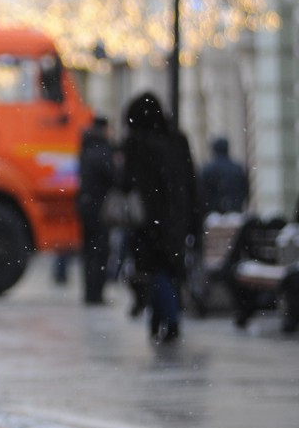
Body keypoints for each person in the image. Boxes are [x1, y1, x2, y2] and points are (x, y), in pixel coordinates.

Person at [117, 92, 201, 344]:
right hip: (177, 216)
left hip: (148, 218)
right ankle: (160, 320)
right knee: (169, 269)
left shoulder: (137, 144)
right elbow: (191, 181)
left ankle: (169, 320)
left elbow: (125, 182)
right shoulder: (177, 140)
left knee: (154, 270)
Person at [76, 115, 115, 305]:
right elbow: (114, 177)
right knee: (99, 251)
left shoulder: (86, 148)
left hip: (85, 205)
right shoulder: (103, 151)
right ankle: (96, 294)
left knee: (89, 251)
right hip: (99, 208)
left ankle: (89, 292)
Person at [200, 136, 250, 214]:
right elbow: (245, 190)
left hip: (213, 214)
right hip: (235, 212)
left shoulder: (208, 169)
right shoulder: (237, 168)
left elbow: (202, 193)